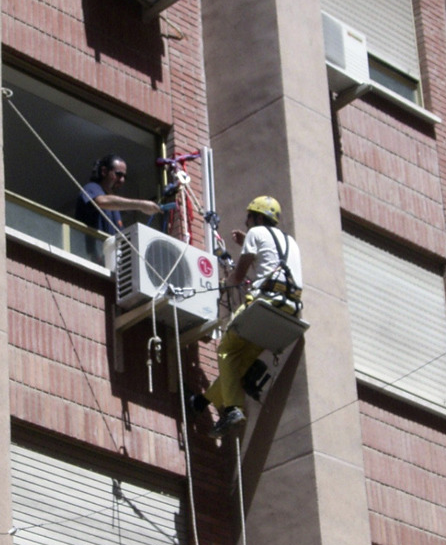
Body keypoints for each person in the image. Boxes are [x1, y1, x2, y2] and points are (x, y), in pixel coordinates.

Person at [189, 195, 303, 437]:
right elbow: (271, 268)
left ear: (258, 217)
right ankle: (202, 402)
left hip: (264, 305)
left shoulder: (255, 233)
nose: (247, 222)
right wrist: (247, 246)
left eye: (249, 218)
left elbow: (238, 278)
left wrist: (222, 286)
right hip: (289, 310)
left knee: (226, 351)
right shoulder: (291, 242)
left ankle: (233, 408)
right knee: (238, 364)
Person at [73, 154, 161, 234]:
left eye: (124, 177)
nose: (122, 180)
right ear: (104, 171)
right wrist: (141, 205)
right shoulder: (91, 187)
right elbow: (102, 202)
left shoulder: (115, 209)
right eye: (118, 174)